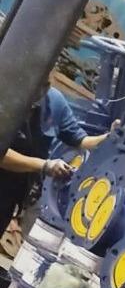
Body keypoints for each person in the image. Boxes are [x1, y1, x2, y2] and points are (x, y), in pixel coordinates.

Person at [0, 83, 118, 235]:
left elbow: (81, 140)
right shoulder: (6, 92)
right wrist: (44, 165)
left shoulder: (54, 101)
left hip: (13, 195)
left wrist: (110, 136)